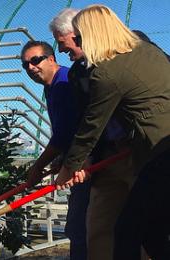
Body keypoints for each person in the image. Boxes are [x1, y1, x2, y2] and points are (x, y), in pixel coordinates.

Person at [56, 5, 170, 260]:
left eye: (81, 36)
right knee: (153, 231)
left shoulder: (107, 71)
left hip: (160, 154)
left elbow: (91, 125)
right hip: (158, 148)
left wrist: (69, 168)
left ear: (94, 33)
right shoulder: (148, 51)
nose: (77, 44)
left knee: (127, 231)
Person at [50, 8, 137, 260]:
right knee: (97, 226)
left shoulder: (130, 51)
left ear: (80, 32)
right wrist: (79, 159)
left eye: (64, 44)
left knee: (146, 224)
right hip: (106, 158)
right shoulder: (78, 73)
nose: (64, 51)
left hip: (138, 152)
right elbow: (85, 121)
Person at [21, 40, 90, 260]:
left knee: (79, 227)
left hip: (88, 163)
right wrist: (61, 158)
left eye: (35, 60)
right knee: (80, 225)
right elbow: (66, 130)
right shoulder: (51, 87)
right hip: (77, 160)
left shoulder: (64, 83)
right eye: (26, 65)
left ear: (51, 59)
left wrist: (37, 166)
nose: (31, 67)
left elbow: (64, 134)